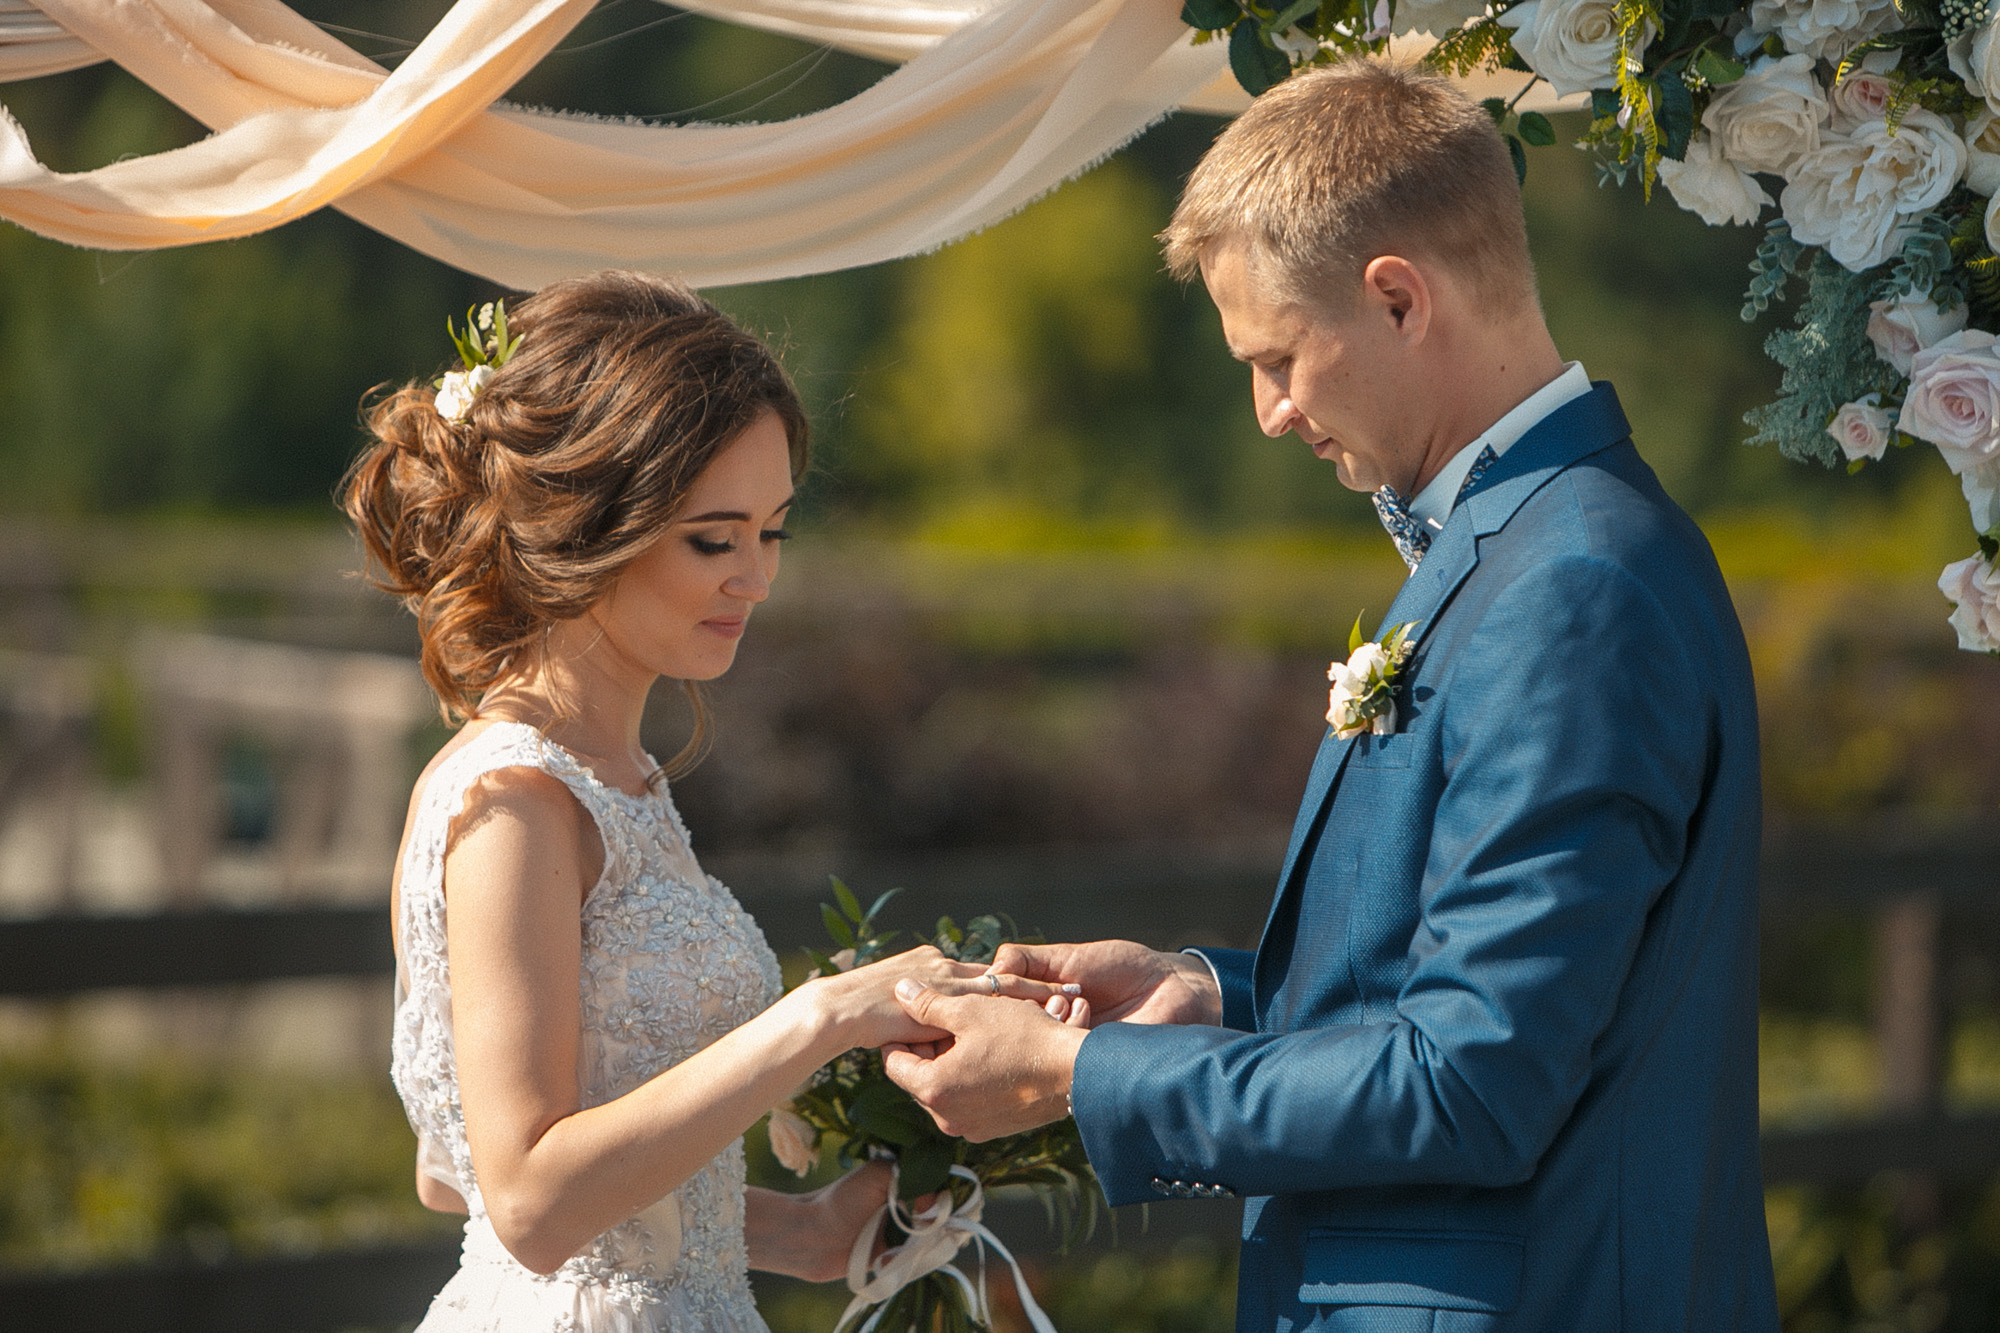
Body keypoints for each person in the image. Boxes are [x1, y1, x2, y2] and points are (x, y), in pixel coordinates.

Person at [883, 59, 1780, 1331]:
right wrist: (1203, 995)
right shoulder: (1532, 548)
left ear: (1399, 299)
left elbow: (1470, 1082)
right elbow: (1487, 998)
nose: (1265, 412)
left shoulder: (1571, 585)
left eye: (1278, 357)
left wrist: (1088, 1069)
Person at [343, 271, 1064, 1331]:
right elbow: (525, 1200)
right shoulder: (515, 799)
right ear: (589, 526)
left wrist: (797, 1230)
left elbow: (456, 1178)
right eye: (712, 538)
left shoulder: (623, 783)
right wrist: (818, 1018)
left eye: (771, 531)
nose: (755, 578)